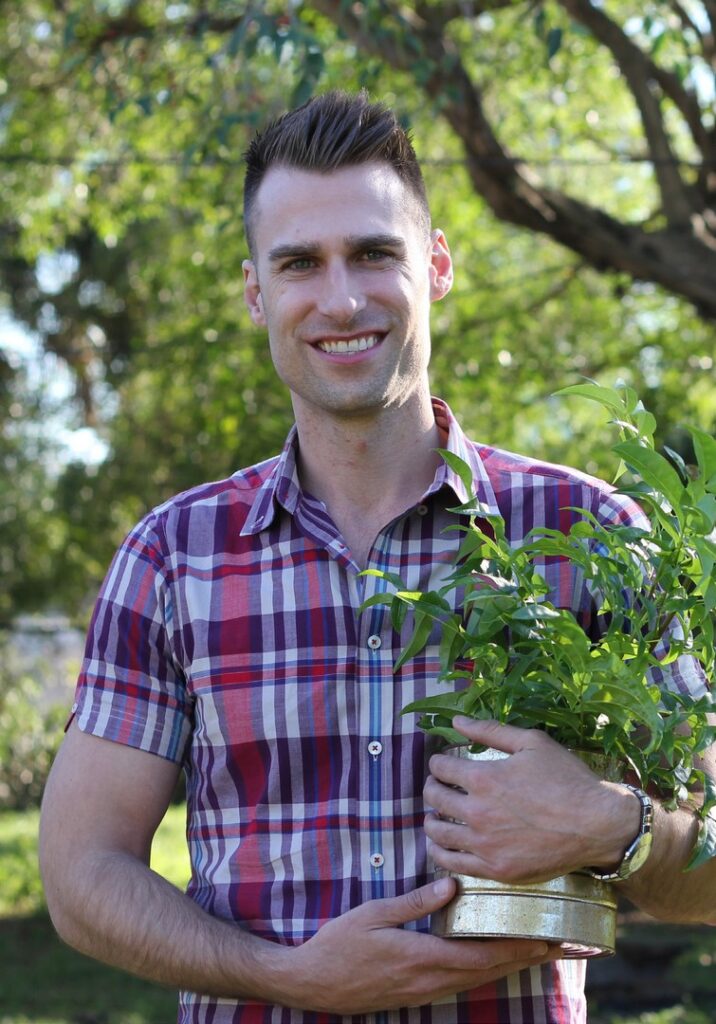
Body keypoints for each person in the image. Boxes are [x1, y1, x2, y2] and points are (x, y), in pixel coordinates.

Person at [40, 91, 715, 1024]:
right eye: (299, 263)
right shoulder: (173, 559)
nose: (342, 299)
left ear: (436, 266)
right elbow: (80, 874)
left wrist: (610, 823)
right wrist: (287, 977)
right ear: (255, 292)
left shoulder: (593, 533)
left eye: (373, 253)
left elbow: (711, 869)